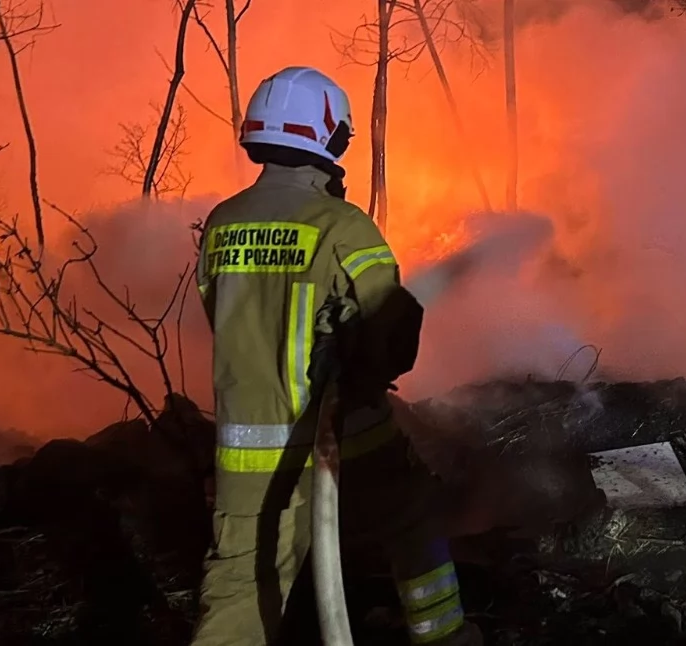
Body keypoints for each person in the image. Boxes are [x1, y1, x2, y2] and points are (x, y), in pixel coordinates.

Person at [190, 65, 482, 646]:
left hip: (247, 447)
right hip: (347, 428)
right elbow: (393, 330)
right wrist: (360, 366)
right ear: (330, 138)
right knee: (411, 515)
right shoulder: (343, 226)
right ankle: (444, 636)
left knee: (242, 584)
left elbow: (216, 313)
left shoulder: (222, 223)